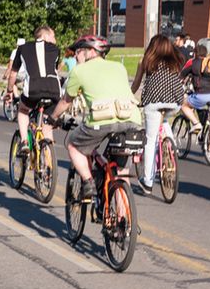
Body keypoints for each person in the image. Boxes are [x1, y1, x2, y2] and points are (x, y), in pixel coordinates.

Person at [50, 35, 142, 201]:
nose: (76, 55)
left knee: (72, 145)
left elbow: (65, 102)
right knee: (121, 172)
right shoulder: (118, 67)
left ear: (91, 51)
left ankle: (88, 182)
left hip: (102, 120)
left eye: (79, 51)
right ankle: (123, 222)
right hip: (132, 119)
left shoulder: (78, 71)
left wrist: (53, 118)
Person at [131, 34, 185, 189]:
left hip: (153, 102)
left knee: (150, 140)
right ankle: (171, 145)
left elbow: (136, 84)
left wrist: (128, 97)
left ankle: (147, 181)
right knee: (165, 119)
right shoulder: (174, 62)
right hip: (175, 102)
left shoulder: (145, 61)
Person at [6, 26, 61, 156]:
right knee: (47, 125)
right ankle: (48, 163)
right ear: (45, 36)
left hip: (33, 89)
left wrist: (9, 91)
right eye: (53, 36)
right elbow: (54, 69)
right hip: (54, 90)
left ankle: (24, 142)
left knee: (23, 111)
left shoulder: (23, 48)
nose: (55, 40)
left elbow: (13, 73)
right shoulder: (56, 50)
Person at [179, 44, 210, 133]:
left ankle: (196, 123)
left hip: (203, 95)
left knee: (183, 104)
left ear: (195, 53)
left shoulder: (193, 62)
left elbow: (180, 77)